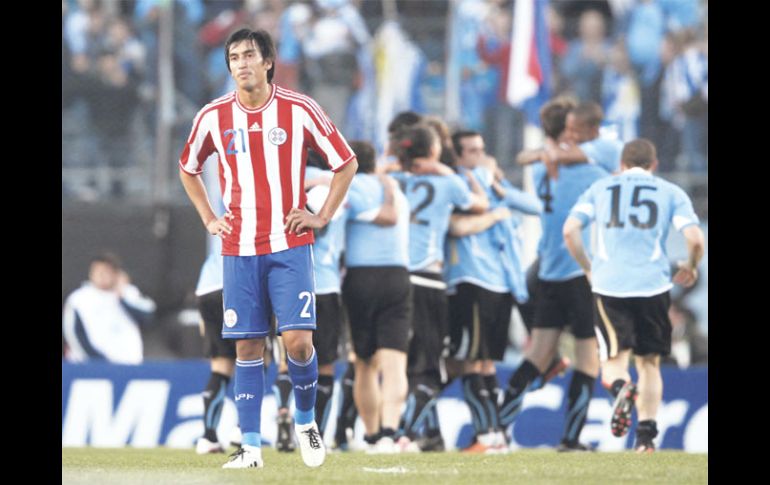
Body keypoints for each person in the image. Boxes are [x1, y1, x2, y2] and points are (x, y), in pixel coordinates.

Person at [178, 28, 358, 469]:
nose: (240, 64)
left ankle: (305, 420)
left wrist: (323, 216)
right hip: (238, 249)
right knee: (246, 349)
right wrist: (208, 218)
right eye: (233, 57)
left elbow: (346, 162)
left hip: (290, 246)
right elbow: (188, 168)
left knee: (297, 342)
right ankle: (251, 448)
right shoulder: (213, 116)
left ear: (268, 61)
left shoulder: (299, 110)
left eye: (248, 55)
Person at [563, 138, 705, 453]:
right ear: (653, 165)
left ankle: (621, 388)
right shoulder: (670, 191)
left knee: (613, 362)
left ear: (622, 165)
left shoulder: (601, 188)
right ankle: (645, 438)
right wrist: (691, 265)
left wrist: (588, 266)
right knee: (650, 363)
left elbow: (569, 230)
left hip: (610, 285)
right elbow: (695, 238)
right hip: (653, 286)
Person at [501, 97, 615, 452]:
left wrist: (548, 151)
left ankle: (493, 428)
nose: (572, 134)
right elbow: (613, 156)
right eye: (568, 129)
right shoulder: (598, 166)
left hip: (549, 271)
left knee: (538, 355)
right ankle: (571, 439)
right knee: (587, 359)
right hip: (581, 274)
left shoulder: (541, 168)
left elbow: (536, 156)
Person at [390, 124, 489, 451]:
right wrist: (448, 170)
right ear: (433, 152)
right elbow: (480, 203)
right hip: (429, 281)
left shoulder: (397, 180)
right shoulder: (448, 182)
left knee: (400, 362)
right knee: (430, 369)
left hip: (398, 279)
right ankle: (405, 434)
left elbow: (377, 171)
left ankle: (403, 432)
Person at [444, 131, 541, 453]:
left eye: (482, 149)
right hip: (471, 279)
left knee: (483, 363)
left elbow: (535, 206)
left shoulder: (491, 185)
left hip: (501, 283)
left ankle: (492, 436)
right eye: (472, 151)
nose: (479, 155)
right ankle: (490, 435)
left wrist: (500, 184)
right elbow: (457, 222)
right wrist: (493, 203)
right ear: (457, 156)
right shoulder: (457, 184)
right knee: (474, 361)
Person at [341, 140, 411, 453]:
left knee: (364, 363)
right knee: (395, 362)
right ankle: (389, 432)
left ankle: (370, 435)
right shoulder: (394, 187)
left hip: (360, 278)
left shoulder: (347, 187)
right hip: (397, 275)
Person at [62, 253, 155, 364]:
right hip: (92, 365)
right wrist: (97, 361)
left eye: (106, 271)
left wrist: (122, 297)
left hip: (129, 363)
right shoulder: (79, 299)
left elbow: (148, 317)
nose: (101, 275)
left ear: (115, 274)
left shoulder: (130, 293)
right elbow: (74, 333)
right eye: (98, 271)